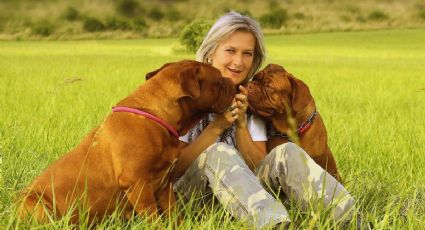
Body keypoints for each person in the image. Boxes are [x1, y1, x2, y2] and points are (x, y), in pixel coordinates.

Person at [172, 11, 355, 229]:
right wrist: (216, 127)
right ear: (211, 51)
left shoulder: (251, 98)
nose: (238, 62)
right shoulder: (186, 92)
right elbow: (173, 169)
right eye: (230, 50)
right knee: (219, 152)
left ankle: (352, 221)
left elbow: (259, 166)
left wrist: (240, 124)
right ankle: (274, 225)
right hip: (192, 198)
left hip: (244, 201)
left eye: (247, 53)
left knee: (288, 151)